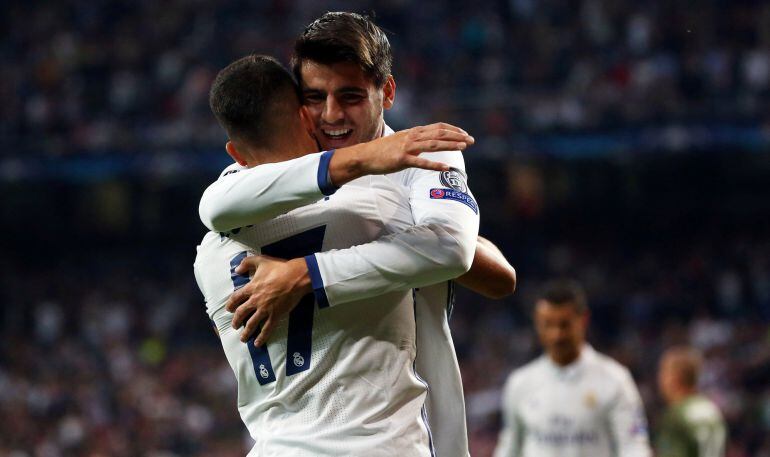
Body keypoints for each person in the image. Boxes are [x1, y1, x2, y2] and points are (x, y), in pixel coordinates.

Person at [199, 13, 516, 456]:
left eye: (349, 96)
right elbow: (212, 205)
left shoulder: (419, 157)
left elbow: (460, 253)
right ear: (296, 105)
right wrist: (367, 163)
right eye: (314, 98)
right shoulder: (266, 184)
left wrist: (305, 273)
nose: (331, 115)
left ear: (386, 91)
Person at [494, 279, 652, 457]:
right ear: (537, 324)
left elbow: (633, 448)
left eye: (564, 325)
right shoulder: (520, 383)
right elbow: (509, 449)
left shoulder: (615, 380)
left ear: (583, 320)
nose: (557, 335)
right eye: (548, 324)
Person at [656, 346, 727, 457]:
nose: (660, 380)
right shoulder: (712, 411)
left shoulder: (677, 415)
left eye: (663, 372)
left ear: (674, 377)